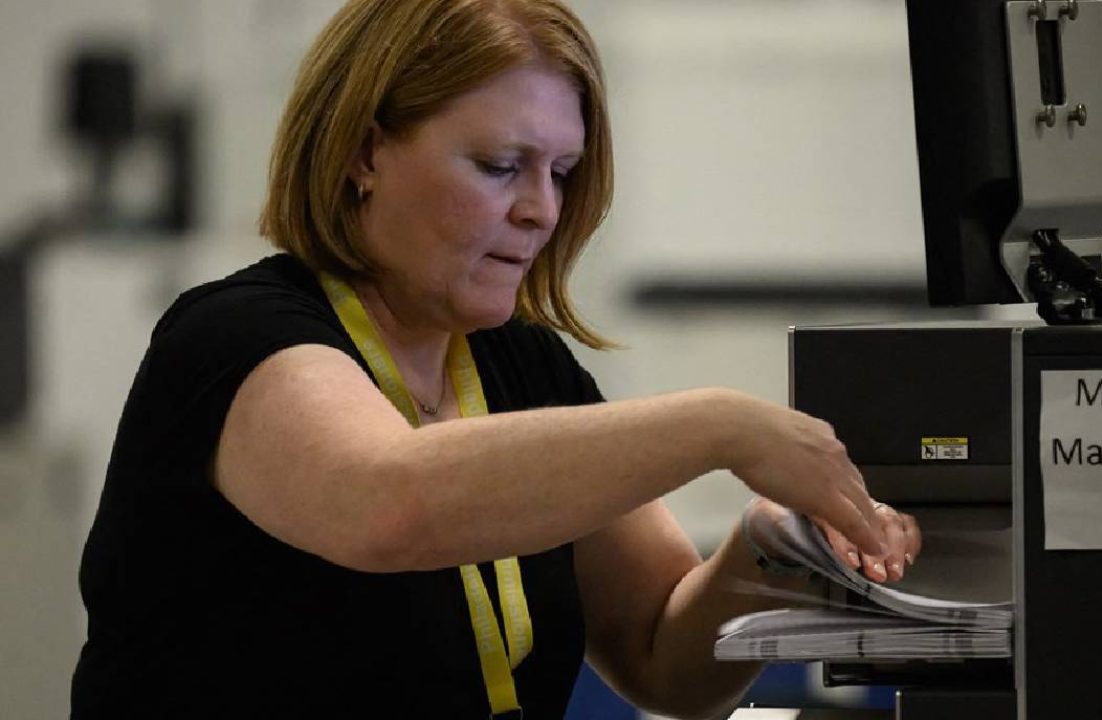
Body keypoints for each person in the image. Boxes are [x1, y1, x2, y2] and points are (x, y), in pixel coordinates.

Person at [70, 0, 921, 717]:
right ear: (366, 153)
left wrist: (769, 548)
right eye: (500, 166)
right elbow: (391, 502)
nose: (541, 211)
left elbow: (667, 661)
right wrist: (723, 426)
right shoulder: (234, 337)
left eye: (562, 171)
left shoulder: (522, 367)